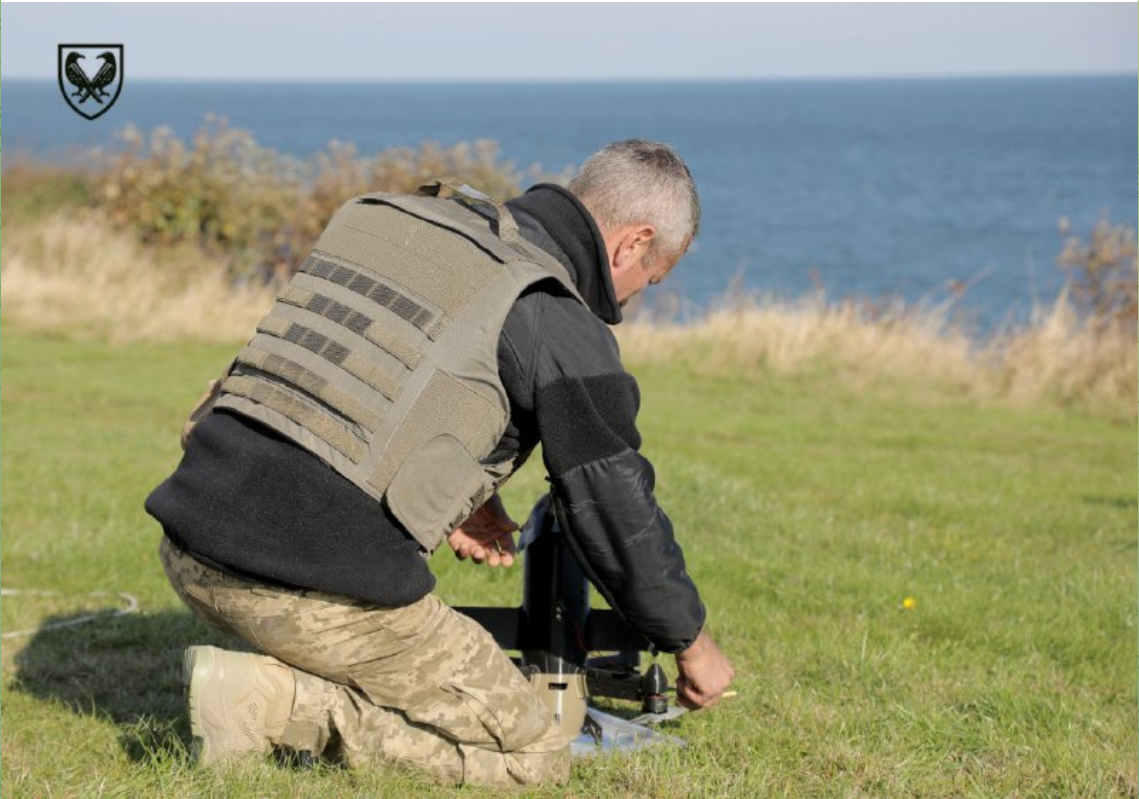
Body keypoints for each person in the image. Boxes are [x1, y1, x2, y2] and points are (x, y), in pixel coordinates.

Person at [146, 139, 734, 787]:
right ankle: (280, 704)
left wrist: (465, 494)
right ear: (633, 243)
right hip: (298, 589)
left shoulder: (411, 225)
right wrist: (690, 642)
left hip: (189, 542)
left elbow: (363, 381)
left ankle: (278, 675)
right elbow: (613, 509)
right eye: (649, 280)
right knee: (535, 754)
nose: (629, 302)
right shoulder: (555, 314)